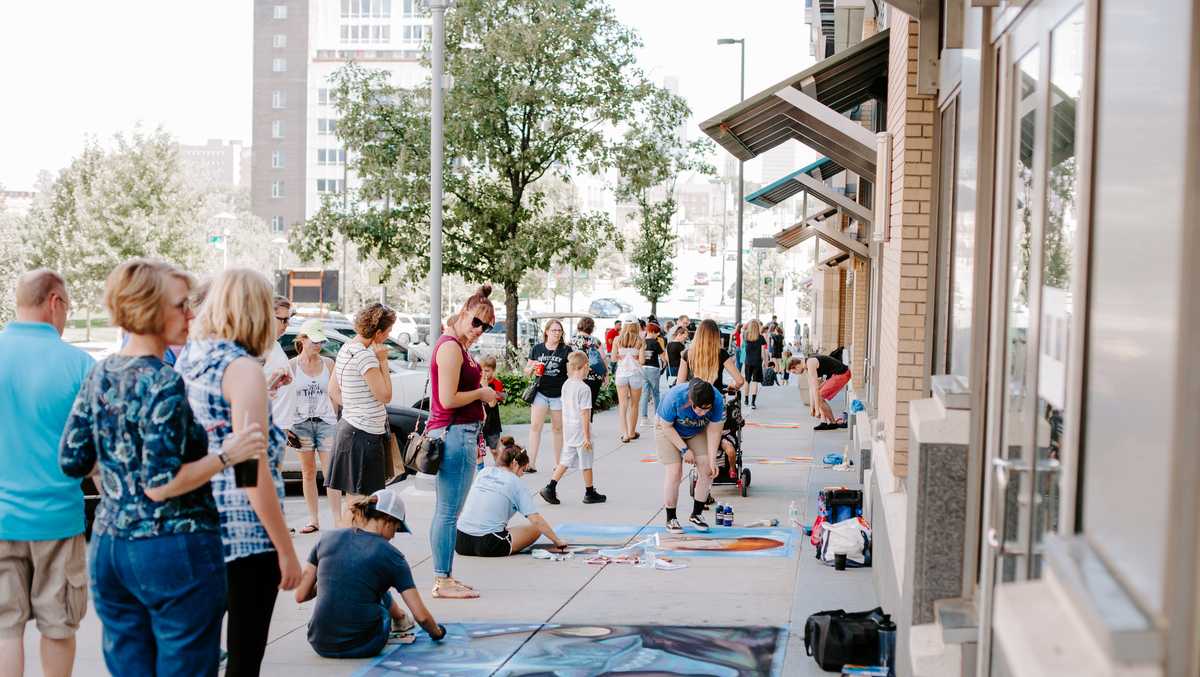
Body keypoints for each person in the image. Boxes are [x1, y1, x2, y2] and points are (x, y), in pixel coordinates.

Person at [60, 260, 266, 676]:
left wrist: (118, 468)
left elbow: (72, 460)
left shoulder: (101, 373)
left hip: (110, 544)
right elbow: (161, 484)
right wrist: (227, 453)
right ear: (150, 310)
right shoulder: (164, 380)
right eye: (180, 305)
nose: (190, 314)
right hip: (174, 547)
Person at [176, 268, 302, 677]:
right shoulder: (241, 367)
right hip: (244, 536)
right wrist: (284, 547)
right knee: (244, 660)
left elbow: (210, 431)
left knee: (199, 658)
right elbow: (252, 469)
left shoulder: (191, 360)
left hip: (195, 528)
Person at [0, 269, 94, 677]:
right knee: (58, 626)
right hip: (58, 517)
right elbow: (94, 451)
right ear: (54, 301)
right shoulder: (79, 365)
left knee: (5, 629)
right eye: (67, 308)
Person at [295, 489, 447, 659]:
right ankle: (400, 618)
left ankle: (400, 618)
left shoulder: (326, 538)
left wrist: (329, 578)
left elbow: (301, 595)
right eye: (396, 529)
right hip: (364, 645)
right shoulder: (391, 556)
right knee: (375, 583)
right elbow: (422, 617)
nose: (393, 537)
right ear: (388, 522)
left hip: (320, 642)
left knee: (369, 580)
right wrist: (438, 633)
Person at [427, 286, 499, 599]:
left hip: (463, 433)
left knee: (449, 511)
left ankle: (446, 576)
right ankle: (442, 580)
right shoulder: (450, 347)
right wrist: (482, 393)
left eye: (487, 326)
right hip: (453, 434)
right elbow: (446, 398)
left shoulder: (459, 345)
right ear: (463, 312)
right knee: (447, 512)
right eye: (476, 321)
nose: (480, 329)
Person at [326, 304, 396, 516]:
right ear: (377, 333)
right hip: (363, 436)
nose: (389, 335)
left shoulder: (347, 348)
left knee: (355, 501)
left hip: (351, 429)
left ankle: (353, 542)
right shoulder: (366, 357)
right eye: (388, 331)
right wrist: (383, 361)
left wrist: (356, 407)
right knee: (363, 504)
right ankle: (357, 543)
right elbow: (385, 396)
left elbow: (332, 390)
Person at [457, 439, 570, 557]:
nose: (522, 474)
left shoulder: (484, 472)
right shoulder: (515, 482)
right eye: (523, 469)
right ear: (515, 464)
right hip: (488, 544)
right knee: (535, 529)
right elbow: (536, 520)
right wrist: (557, 541)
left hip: (461, 541)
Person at [290, 318, 340, 534]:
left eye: (321, 341)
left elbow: (336, 392)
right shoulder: (292, 366)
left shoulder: (328, 363)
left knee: (331, 472)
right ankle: (313, 519)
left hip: (326, 422)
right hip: (301, 423)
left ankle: (338, 520)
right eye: (314, 340)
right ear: (302, 340)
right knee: (308, 472)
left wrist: (336, 414)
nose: (318, 345)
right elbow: (285, 396)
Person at [656, 379, 725, 533]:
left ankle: (697, 514)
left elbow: (714, 431)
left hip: (695, 431)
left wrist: (713, 460)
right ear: (690, 400)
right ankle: (671, 517)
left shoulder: (718, 399)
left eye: (706, 410)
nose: (701, 413)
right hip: (668, 430)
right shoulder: (674, 397)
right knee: (675, 472)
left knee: (707, 468)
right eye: (698, 408)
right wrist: (683, 449)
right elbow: (665, 426)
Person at [539, 352, 606, 505]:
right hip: (580, 430)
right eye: (588, 367)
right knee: (587, 461)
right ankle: (590, 492)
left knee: (565, 460)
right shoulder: (584, 389)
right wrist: (587, 437)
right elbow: (585, 414)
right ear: (585, 367)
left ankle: (550, 487)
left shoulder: (567, 384)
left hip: (568, 428)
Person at [525, 318, 571, 472]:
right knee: (535, 426)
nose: (557, 333)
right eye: (554, 330)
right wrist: (533, 367)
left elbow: (571, 372)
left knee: (557, 428)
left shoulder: (566, 350)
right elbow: (526, 371)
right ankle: (531, 463)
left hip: (558, 394)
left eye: (559, 330)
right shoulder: (537, 349)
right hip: (541, 392)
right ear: (546, 332)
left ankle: (558, 464)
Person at [264, 296, 296, 458]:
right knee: (256, 480)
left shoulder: (274, 344)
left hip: (279, 425)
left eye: (288, 320)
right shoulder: (259, 347)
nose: (286, 325)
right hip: (265, 428)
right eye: (282, 320)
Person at [677, 319, 744, 394]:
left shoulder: (687, 354)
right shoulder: (721, 354)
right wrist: (734, 387)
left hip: (693, 399)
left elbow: (679, 384)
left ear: (698, 334)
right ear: (716, 335)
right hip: (715, 398)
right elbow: (740, 381)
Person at [788, 354, 853, 430]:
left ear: (796, 366)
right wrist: (812, 408)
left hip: (842, 374)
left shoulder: (810, 363)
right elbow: (811, 388)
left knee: (819, 396)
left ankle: (833, 423)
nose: (796, 374)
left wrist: (817, 410)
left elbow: (815, 388)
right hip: (835, 375)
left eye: (794, 372)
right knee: (818, 394)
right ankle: (823, 422)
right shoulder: (806, 367)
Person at [610, 320, 645, 444]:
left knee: (623, 405)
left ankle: (624, 434)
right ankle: (631, 432)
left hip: (621, 374)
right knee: (634, 405)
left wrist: (621, 356)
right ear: (636, 326)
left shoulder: (617, 339)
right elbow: (642, 361)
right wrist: (634, 356)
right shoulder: (640, 340)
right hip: (635, 374)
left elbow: (613, 358)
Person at [567, 317, 608, 422]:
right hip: (594, 378)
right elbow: (603, 358)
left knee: (576, 405)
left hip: (576, 377)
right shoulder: (595, 341)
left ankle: (578, 428)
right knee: (590, 405)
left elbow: (568, 359)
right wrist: (606, 375)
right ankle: (587, 429)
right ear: (592, 328)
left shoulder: (572, 341)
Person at [638, 323, 667, 426]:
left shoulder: (642, 342)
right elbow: (664, 357)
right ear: (653, 332)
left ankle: (644, 418)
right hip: (653, 369)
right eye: (657, 333)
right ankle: (657, 417)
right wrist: (666, 362)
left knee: (645, 393)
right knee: (656, 394)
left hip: (643, 368)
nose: (657, 335)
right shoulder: (655, 343)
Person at [478, 355, 505, 466]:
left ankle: (500, 470)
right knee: (479, 451)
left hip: (492, 420)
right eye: (482, 370)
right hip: (479, 421)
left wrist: (486, 387)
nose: (484, 373)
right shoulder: (475, 382)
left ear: (493, 371)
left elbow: (492, 404)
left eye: (487, 371)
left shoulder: (497, 384)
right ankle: (481, 472)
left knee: (494, 450)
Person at [741, 319, 769, 409]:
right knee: (755, 382)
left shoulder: (745, 335)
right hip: (757, 362)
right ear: (757, 327)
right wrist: (766, 361)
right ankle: (753, 403)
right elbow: (763, 351)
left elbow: (742, 347)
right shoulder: (760, 337)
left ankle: (746, 400)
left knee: (747, 381)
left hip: (748, 361)